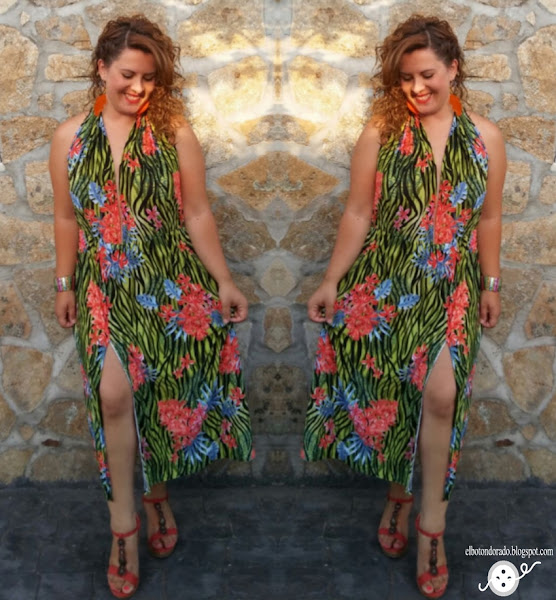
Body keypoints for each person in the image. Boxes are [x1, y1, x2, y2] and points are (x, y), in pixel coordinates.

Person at [51, 15, 253, 599]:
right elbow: (66, 218)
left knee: (161, 396)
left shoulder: (174, 134)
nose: (138, 88)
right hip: (102, 289)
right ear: (101, 69)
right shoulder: (68, 138)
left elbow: (197, 213)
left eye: (149, 78)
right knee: (113, 396)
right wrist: (64, 283)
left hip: (169, 288)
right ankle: (124, 530)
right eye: (127, 75)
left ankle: (157, 492)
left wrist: (224, 280)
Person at [302, 15, 505, 599]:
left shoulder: (486, 138)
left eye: (428, 75)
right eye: (406, 78)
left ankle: (431, 529)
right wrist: (331, 280)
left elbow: (489, 218)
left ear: (453, 69)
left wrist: (491, 283)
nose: (417, 88)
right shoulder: (380, 134)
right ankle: (399, 492)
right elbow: (358, 213)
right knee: (395, 396)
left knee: (441, 397)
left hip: (453, 290)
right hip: (386, 289)